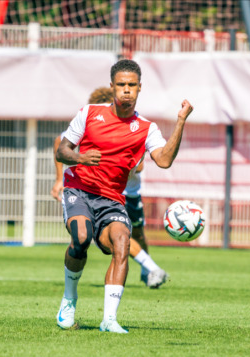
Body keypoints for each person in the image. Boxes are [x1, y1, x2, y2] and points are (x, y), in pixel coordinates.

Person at [55, 59, 193, 333]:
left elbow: (164, 160)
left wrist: (180, 122)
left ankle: (109, 320)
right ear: (112, 87)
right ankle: (69, 298)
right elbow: (62, 151)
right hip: (79, 189)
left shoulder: (146, 128)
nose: (126, 90)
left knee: (121, 241)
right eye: (121, 85)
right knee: (81, 238)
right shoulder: (89, 113)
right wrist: (81, 157)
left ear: (140, 88)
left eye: (132, 85)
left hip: (111, 200)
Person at [51, 87, 168, 289]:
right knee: (110, 236)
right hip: (95, 191)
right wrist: (59, 179)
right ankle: (151, 267)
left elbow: (139, 166)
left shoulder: (136, 126)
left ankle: (146, 271)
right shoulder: (91, 120)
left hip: (128, 191)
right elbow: (59, 143)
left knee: (137, 233)